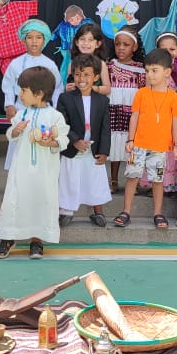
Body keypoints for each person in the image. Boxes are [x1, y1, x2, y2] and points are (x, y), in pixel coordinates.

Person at [0, 67, 68, 260]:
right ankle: (9, 236)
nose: (20, 95)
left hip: (44, 172)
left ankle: (37, 239)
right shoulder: (21, 115)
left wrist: (50, 142)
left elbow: (63, 140)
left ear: (39, 94)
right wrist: (16, 130)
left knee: (41, 201)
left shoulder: (55, 116)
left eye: (24, 91)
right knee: (14, 200)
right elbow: (10, 135)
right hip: (21, 170)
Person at [113, 49, 177, 229]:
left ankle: (158, 213)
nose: (150, 75)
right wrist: (130, 140)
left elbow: (176, 122)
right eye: (147, 70)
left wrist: (176, 145)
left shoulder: (173, 97)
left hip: (160, 147)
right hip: (139, 145)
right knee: (132, 177)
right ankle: (126, 211)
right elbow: (134, 117)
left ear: (167, 72)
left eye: (154, 70)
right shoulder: (141, 93)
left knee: (157, 180)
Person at [56, 54, 112, 228]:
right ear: (73, 75)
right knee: (69, 179)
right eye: (78, 74)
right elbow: (62, 122)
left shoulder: (102, 100)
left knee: (95, 179)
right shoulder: (65, 98)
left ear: (96, 77)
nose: (82, 79)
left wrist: (104, 151)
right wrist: (74, 141)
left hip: (93, 149)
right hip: (73, 149)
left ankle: (98, 211)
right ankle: (66, 211)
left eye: (87, 75)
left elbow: (105, 128)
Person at [2, 19, 63, 170]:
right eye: (30, 37)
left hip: (44, 111)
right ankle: (18, 174)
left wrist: (55, 110)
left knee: (41, 139)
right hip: (21, 109)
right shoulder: (16, 63)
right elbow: (8, 85)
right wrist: (9, 104)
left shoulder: (49, 64)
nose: (34, 42)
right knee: (20, 140)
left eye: (38, 37)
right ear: (23, 40)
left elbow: (57, 88)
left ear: (45, 40)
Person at [142, 32, 177, 198]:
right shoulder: (152, 74)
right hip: (155, 121)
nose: (168, 52)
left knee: (171, 154)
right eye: (163, 49)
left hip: (173, 120)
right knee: (155, 153)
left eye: (172, 49)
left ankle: (170, 185)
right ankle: (153, 184)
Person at [107, 26, 146, 192]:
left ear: (134, 47)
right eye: (118, 44)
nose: (121, 48)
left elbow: (144, 90)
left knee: (131, 146)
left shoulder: (141, 69)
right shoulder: (109, 66)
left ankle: (132, 180)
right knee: (115, 144)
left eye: (126, 44)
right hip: (114, 109)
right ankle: (114, 179)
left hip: (133, 111)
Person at [64, 23, 111, 96]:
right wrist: (67, 88)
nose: (86, 43)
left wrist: (90, 88)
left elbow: (107, 89)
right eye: (82, 39)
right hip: (76, 104)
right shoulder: (72, 64)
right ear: (76, 42)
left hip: (95, 104)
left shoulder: (101, 64)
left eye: (90, 40)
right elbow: (69, 85)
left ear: (98, 44)